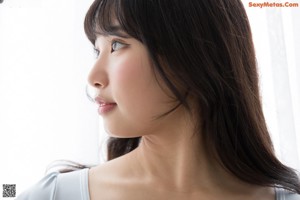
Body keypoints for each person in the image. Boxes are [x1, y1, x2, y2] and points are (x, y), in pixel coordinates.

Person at [17, 0, 300, 199]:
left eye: (117, 45)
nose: (93, 76)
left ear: (192, 53)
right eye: (97, 50)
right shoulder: (52, 195)